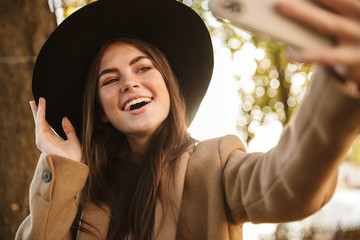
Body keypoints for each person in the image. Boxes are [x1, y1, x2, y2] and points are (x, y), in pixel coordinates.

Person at [15, 0, 360, 239]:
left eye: (143, 68)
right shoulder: (77, 192)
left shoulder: (217, 164)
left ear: (168, 86)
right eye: (110, 79)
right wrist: (59, 165)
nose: (130, 82)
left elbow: (289, 185)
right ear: (100, 113)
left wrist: (341, 82)